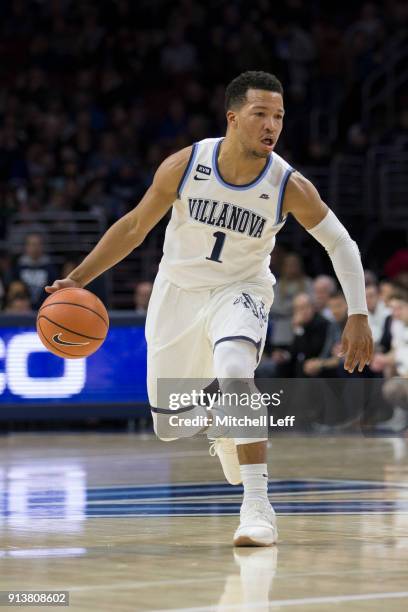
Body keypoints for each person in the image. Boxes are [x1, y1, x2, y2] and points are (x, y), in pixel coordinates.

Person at [45, 71, 373, 547]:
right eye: (260, 114)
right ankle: (223, 426)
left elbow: (341, 244)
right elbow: (135, 226)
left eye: (278, 116)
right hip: (178, 292)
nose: (271, 125)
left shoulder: (287, 184)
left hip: (240, 290)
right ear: (233, 117)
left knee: (237, 371)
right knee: (169, 426)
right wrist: (77, 278)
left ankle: (258, 505)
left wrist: (358, 313)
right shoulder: (187, 163)